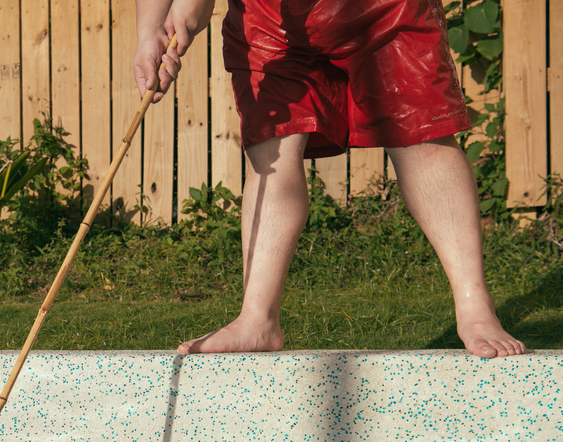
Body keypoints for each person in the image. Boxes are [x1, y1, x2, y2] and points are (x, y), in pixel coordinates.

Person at [133, 0, 526, 359]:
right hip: (270, 13)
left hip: (386, 5)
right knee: (272, 146)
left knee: (421, 132)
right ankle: (257, 319)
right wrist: (153, 31)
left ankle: (475, 308)